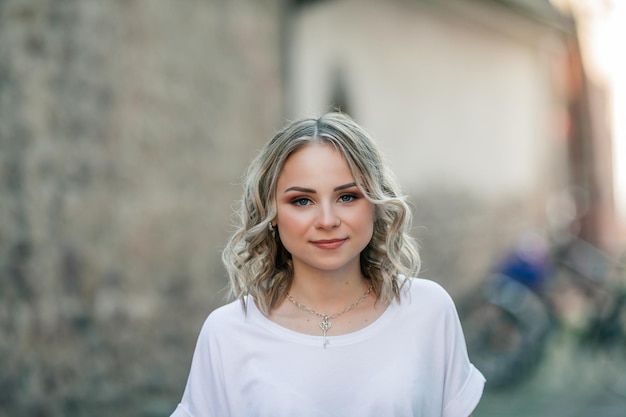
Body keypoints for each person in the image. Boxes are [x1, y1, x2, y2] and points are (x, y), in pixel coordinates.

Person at [170, 112, 485, 417]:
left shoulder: (428, 311)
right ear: (271, 214)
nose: (327, 220)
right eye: (302, 201)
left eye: (347, 197)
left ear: (375, 204)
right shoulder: (228, 333)